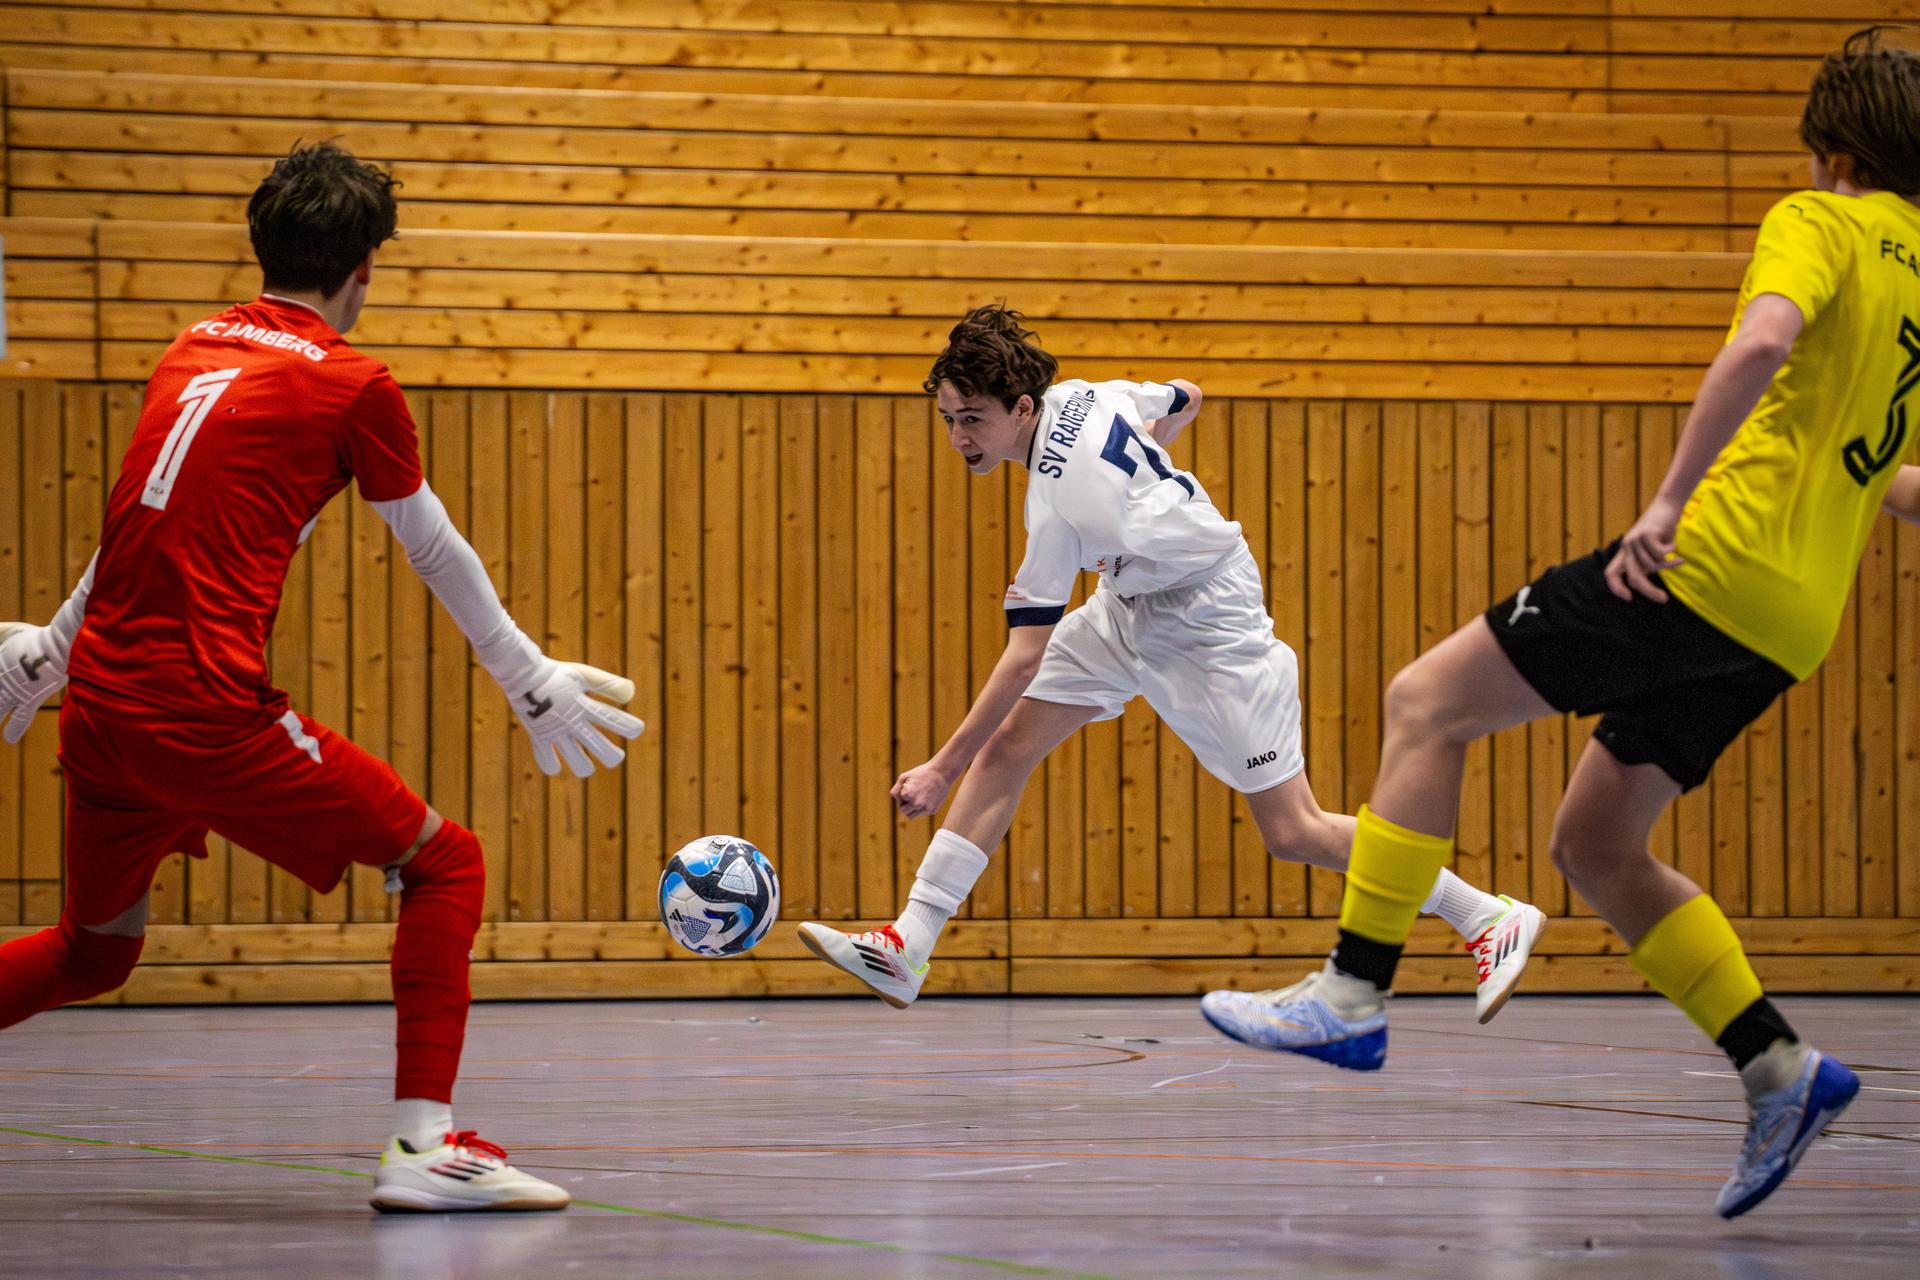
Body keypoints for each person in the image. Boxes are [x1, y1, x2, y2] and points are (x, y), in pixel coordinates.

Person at [1201, 27, 1920, 1218]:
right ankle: (1780, 1067)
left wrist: (1667, 502)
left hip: (1702, 568)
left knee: (1425, 701)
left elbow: (1762, 338)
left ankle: (1353, 990)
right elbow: (1887, 472)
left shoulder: (1823, 221)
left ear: (1830, 150)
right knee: (1595, 842)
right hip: (1790, 624)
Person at [0, 142, 644, 1213]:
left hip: (105, 708)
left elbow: (128, 534)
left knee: (92, 951)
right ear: (365, 270)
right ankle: (423, 1148)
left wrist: (44, 657)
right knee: (446, 864)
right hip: (204, 711)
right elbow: (433, 547)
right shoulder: (352, 382)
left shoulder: (187, 349)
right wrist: (529, 678)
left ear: (264, 247)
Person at [796, 305, 1545, 1018]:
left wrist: (939, 768)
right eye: (949, 420)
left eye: (974, 420)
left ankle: (1486, 915)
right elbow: (1185, 395)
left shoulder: (1056, 505)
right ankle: (909, 944)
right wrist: (1152, 473)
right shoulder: (1090, 393)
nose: (959, 436)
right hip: (1129, 603)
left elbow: (1024, 656)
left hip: (1209, 620)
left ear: (1023, 409)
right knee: (1011, 745)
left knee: (1294, 831)